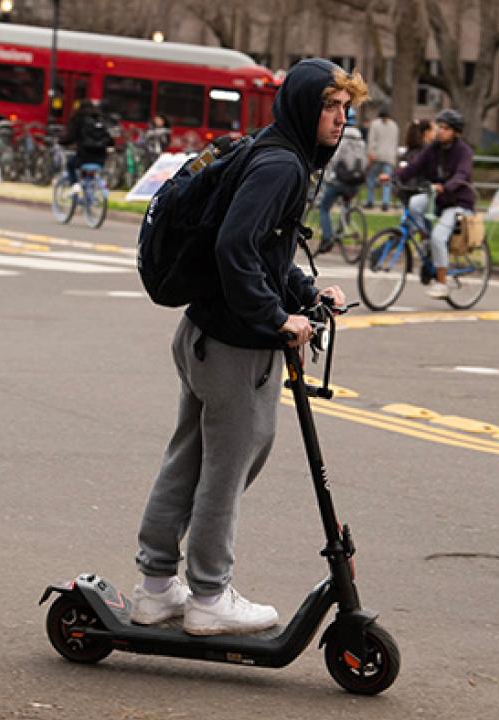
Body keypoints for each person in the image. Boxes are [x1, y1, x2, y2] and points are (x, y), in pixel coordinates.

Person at [132, 58, 363, 636]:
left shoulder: (271, 149)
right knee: (226, 471)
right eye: (330, 107)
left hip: (202, 334)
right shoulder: (283, 165)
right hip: (235, 348)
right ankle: (209, 595)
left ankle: (156, 588)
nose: (339, 119)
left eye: (344, 108)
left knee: (188, 459)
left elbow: (265, 251)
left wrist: (305, 292)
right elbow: (236, 247)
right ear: (304, 107)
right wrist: (276, 318)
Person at [385, 109, 475, 299]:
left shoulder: (464, 152)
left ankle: (442, 283)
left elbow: (462, 174)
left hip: (457, 202)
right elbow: (414, 166)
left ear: (456, 132)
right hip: (438, 198)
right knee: (415, 203)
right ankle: (425, 239)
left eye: (445, 128)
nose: (440, 131)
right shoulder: (433, 148)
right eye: (439, 127)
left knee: (438, 237)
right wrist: (393, 177)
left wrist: (446, 186)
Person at [315, 113, 368, 253]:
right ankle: (343, 226)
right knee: (347, 203)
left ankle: (327, 238)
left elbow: (333, 161)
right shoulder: (361, 141)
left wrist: (325, 175)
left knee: (324, 208)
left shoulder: (340, 138)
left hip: (339, 181)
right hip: (355, 182)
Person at [59, 99, 113, 192]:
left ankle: (75, 184)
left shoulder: (78, 119)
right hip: (101, 159)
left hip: (84, 157)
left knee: (70, 164)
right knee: (89, 173)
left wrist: (62, 142)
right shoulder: (99, 120)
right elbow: (109, 140)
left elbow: (70, 137)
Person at [364, 106, 399, 211]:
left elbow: (371, 140)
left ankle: (370, 201)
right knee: (386, 181)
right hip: (389, 157)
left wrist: (370, 154)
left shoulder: (375, 124)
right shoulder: (394, 125)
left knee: (370, 178)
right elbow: (395, 142)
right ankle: (385, 203)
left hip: (377, 156)